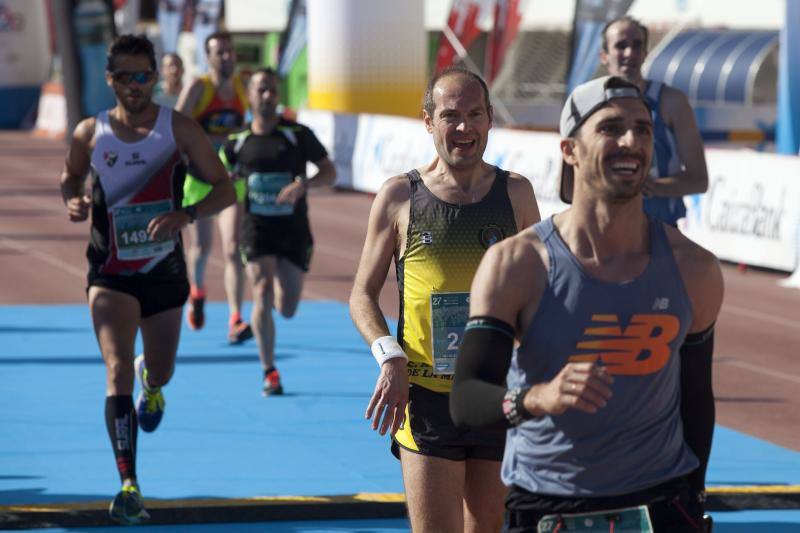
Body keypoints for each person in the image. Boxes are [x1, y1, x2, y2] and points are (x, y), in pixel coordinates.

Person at [450, 76, 723, 532]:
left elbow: (697, 399)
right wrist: (539, 397)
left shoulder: (694, 268)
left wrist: (694, 500)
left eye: (643, 129)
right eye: (611, 128)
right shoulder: (517, 264)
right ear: (570, 150)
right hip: (548, 505)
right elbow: (467, 398)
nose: (631, 141)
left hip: (662, 501)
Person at [349, 67, 540, 533]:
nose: (464, 127)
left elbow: (540, 291)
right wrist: (389, 356)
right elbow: (362, 295)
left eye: (474, 114)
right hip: (425, 398)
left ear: (490, 118)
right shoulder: (400, 196)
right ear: (428, 121)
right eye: (451, 115)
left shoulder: (516, 193)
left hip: (496, 393)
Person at [59, 34, 235, 524]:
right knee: (115, 368)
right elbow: (70, 176)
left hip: (163, 271)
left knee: (160, 369)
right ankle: (129, 485)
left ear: (155, 78)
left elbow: (225, 189)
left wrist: (187, 215)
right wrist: (73, 199)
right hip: (109, 272)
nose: (133, 86)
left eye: (142, 76)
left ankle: (152, 385)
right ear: (110, 79)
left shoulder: (177, 129)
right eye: (124, 77)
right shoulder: (90, 133)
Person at [219, 68, 336, 395]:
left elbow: (329, 172)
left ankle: (269, 315)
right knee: (261, 289)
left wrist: (304, 184)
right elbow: (219, 177)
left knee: (287, 307)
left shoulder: (297, 134)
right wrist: (225, 183)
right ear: (249, 95)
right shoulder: (237, 142)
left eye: (272, 90)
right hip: (256, 229)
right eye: (261, 90)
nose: (268, 96)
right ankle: (269, 370)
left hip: (293, 231)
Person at [176, 31, 252, 343]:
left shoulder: (242, 86)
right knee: (202, 247)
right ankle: (197, 290)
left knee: (233, 248)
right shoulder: (199, 87)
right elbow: (176, 125)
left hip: (232, 179)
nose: (226, 57)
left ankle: (236, 319)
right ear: (208, 57)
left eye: (229, 51)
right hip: (200, 179)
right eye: (219, 52)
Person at [600, 15, 708, 227]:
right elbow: (569, 181)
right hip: (606, 228)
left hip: (658, 228)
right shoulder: (590, 102)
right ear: (604, 56)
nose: (629, 53)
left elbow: (699, 180)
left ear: (645, 53)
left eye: (637, 45)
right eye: (621, 46)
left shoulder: (671, 101)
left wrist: (652, 187)